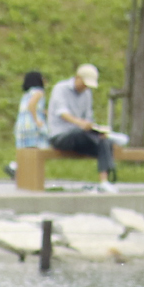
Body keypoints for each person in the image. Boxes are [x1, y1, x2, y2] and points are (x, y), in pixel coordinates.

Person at [46, 62, 120, 192]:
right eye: (84, 84)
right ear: (77, 77)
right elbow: (63, 113)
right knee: (81, 134)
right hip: (61, 135)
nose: (85, 87)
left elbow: (88, 117)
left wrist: (95, 129)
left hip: (81, 135)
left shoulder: (87, 93)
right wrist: (80, 123)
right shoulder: (60, 89)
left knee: (104, 141)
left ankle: (105, 181)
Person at [7, 69, 50, 179]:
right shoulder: (39, 92)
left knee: (26, 150)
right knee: (39, 148)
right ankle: (17, 167)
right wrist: (37, 120)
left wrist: (46, 112)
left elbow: (32, 106)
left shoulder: (27, 94)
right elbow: (32, 105)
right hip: (32, 125)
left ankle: (20, 169)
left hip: (22, 125)